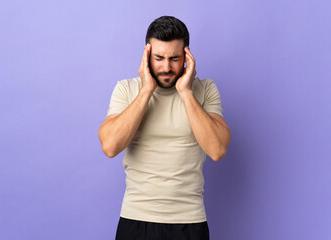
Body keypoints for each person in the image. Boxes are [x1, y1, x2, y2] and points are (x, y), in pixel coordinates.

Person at [98, 16, 231, 240]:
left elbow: (217, 149)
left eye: (175, 58)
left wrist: (186, 92)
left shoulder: (205, 89)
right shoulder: (127, 89)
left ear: (187, 56)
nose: (166, 67)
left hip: (189, 221)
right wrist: (146, 91)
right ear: (147, 54)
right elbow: (110, 146)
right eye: (159, 58)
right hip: (136, 219)